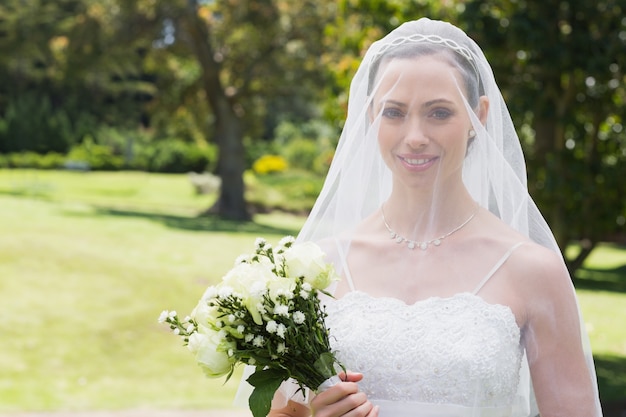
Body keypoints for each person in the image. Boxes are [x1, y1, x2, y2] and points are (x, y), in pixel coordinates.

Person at [239, 18, 603, 417]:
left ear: (478, 116)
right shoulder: (319, 267)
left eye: (439, 113)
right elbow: (283, 411)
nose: (414, 136)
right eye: (394, 112)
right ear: (370, 114)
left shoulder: (532, 270)